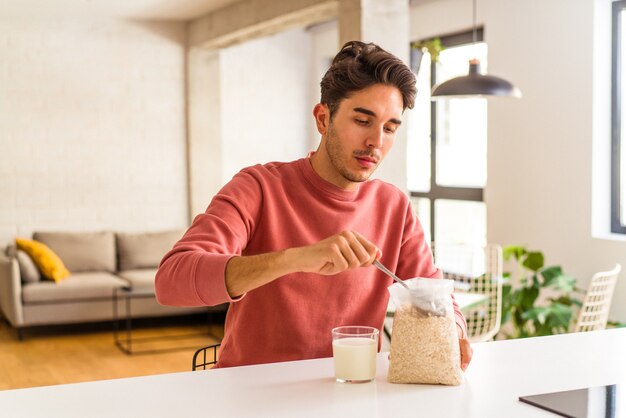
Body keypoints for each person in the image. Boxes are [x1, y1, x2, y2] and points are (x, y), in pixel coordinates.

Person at [155, 40, 473, 370]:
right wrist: (297, 258)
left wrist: (454, 332)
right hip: (253, 396)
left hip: (352, 391)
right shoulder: (259, 188)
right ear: (323, 119)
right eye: (363, 121)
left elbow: (436, 295)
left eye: (390, 128)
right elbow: (170, 281)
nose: (376, 142)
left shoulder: (395, 207)